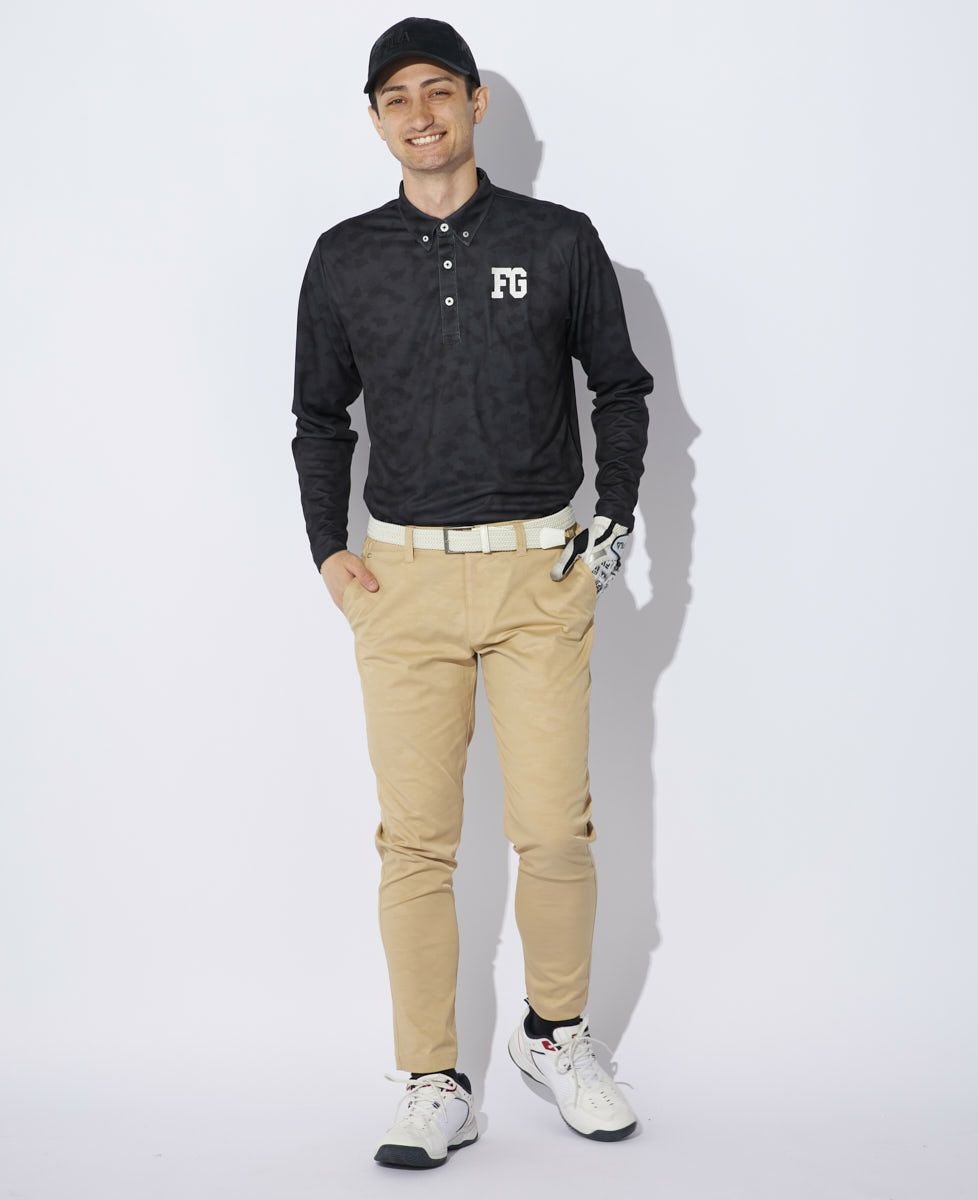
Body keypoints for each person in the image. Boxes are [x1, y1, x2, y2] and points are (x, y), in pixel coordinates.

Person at [290, 16, 653, 1169]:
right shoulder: (344, 257)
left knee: (552, 828)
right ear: (375, 118)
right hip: (401, 581)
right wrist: (328, 551)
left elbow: (620, 388)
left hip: (539, 575)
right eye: (395, 97)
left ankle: (554, 1037)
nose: (420, 114)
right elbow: (317, 417)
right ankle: (431, 1078)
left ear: (475, 102)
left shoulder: (556, 241)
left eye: (438, 90)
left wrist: (612, 519)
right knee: (416, 844)